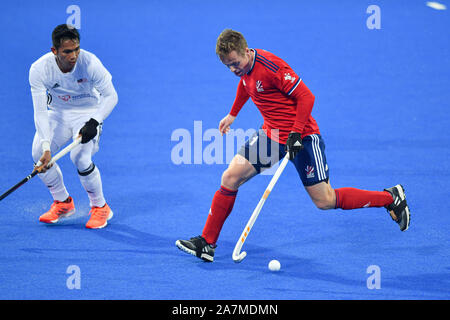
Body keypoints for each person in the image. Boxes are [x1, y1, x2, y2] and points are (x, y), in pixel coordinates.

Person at [176, 29, 410, 262]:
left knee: (325, 201)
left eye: (235, 63)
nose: (234, 70)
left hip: (304, 137)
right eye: (228, 66)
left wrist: (297, 133)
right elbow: (247, 84)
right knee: (230, 177)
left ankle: (389, 198)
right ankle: (207, 243)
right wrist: (233, 114)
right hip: (272, 134)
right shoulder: (245, 70)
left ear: (246, 51)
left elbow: (307, 97)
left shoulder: (271, 68)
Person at [29, 24, 118, 229]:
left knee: (79, 157)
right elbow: (41, 112)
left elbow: (111, 96)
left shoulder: (90, 63)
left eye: (76, 49)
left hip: (87, 113)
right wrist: (46, 147)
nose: (74, 55)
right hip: (58, 114)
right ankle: (62, 202)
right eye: (67, 51)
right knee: (37, 154)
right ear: (54, 51)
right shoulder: (39, 69)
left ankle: (100, 207)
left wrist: (94, 121)